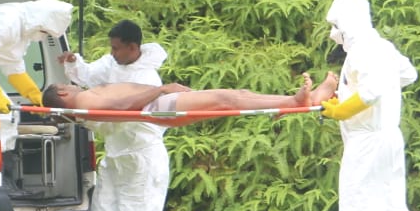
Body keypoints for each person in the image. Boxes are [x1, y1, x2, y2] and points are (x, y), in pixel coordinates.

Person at [57, 20, 170, 211]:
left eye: (117, 48)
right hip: (115, 154)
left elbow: (121, 112)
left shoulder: (148, 79)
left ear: (133, 47)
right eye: (112, 48)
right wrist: (74, 63)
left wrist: (88, 117)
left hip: (141, 157)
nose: (113, 53)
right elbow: (88, 76)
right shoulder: (111, 64)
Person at [319, 0, 420, 211]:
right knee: (392, 204)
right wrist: (349, 96)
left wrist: (341, 110)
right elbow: (408, 75)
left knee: (359, 205)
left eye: (336, 25)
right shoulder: (383, 47)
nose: (334, 33)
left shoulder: (362, 50)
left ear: (348, 22)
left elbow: (371, 91)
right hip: (390, 138)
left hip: (366, 141)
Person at [42, 73, 336, 128]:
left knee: (235, 96)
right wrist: (161, 89)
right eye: (67, 84)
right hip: (158, 107)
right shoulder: (83, 101)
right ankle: (294, 102)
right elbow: (120, 106)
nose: (72, 84)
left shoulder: (84, 101)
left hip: (160, 107)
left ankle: (297, 101)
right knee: (226, 98)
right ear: (63, 93)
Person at [0, 0, 74, 112]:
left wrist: (35, 96)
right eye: (45, 33)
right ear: (39, 23)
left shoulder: (23, 32)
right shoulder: (6, 22)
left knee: (7, 115)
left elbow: (13, 66)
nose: (43, 37)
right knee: (1, 115)